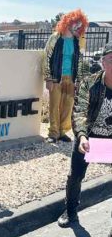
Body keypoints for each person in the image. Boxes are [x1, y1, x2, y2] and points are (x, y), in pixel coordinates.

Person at [57, 43, 112, 228]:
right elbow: (79, 111)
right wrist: (81, 136)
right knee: (76, 176)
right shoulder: (89, 83)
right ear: (103, 62)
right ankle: (70, 211)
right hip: (89, 138)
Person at [43, 9, 88, 143]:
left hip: (71, 78)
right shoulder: (55, 38)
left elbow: (80, 60)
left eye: (81, 25)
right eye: (76, 24)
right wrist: (48, 78)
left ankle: (62, 132)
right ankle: (53, 133)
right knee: (54, 106)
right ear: (68, 22)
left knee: (68, 106)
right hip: (56, 77)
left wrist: (79, 80)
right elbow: (46, 57)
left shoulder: (77, 41)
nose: (78, 27)